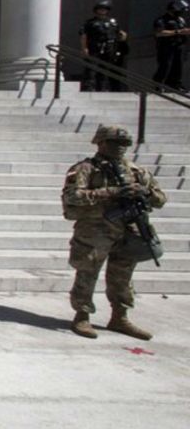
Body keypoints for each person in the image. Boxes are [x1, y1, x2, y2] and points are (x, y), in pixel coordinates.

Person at [62, 126, 166, 340]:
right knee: (87, 273)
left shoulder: (137, 172)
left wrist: (144, 192)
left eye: (124, 144)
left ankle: (120, 316)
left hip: (128, 231)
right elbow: (72, 196)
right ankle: (82, 315)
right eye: (113, 143)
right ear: (100, 143)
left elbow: (161, 199)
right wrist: (111, 192)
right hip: (95, 230)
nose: (120, 148)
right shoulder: (86, 169)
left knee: (122, 277)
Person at [78, 0, 126, 92]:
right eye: (100, 9)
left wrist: (122, 37)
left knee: (105, 68)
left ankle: (103, 88)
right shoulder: (90, 23)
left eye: (104, 9)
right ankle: (89, 87)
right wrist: (84, 48)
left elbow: (119, 33)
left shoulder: (112, 22)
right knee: (92, 68)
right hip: (94, 47)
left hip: (109, 48)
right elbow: (84, 35)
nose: (102, 11)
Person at [152, 0, 188, 91]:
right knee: (165, 65)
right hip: (166, 47)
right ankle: (158, 84)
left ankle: (175, 84)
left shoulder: (180, 20)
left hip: (178, 46)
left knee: (178, 66)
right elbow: (159, 33)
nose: (181, 13)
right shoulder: (162, 20)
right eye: (180, 10)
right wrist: (178, 31)